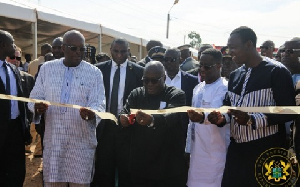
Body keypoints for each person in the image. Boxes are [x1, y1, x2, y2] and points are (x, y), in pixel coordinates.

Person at [208, 26, 296, 186]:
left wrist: (253, 120)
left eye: (233, 47)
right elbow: (228, 107)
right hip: (238, 151)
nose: (230, 52)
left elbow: (290, 111)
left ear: (249, 44)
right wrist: (221, 118)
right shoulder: (235, 75)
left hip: (268, 150)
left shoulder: (276, 71)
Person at [28, 30, 106, 186]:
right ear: (63, 48)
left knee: (80, 182)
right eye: (73, 48)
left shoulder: (94, 73)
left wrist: (92, 113)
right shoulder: (47, 69)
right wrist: (37, 107)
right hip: (54, 139)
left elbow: (99, 102)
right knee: (54, 181)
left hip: (81, 141)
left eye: (82, 49)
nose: (78, 52)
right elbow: (35, 96)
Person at [118, 61, 187, 187]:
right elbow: (125, 111)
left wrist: (152, 120)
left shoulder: (176, 95)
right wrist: (123, 119)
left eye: (154, 80)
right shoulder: (136, 93)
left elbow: (171, 116)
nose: (149, 84)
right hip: (140, 165)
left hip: (166, 166)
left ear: (164, 78)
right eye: (146, 80)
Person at [93, 38, 144, 186]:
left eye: (123, 52)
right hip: (104, 128)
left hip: (128, 130)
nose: (120, 55)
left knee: (126, 172)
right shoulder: (99, 70)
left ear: (128, 51)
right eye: (116, 51)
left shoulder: (138, 72)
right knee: (104, 170)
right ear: (111, 51)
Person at [185, 48, 229, 187]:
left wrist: (201, 117)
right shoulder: (198, 88)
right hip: (196, 152)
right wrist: (188, 148)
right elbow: (191, 124)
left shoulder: (224, 88)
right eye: (200, 65)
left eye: (207, 66)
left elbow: (215, 113)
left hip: (215, 153)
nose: (202, 69)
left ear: (218, 66)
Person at [0, 29, 31, 187]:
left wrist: (25, 128)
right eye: (12, 42)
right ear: (4, 45)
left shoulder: (13, 70)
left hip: (16, 131)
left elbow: (21, 101)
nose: (14, 45)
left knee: (17, 172)